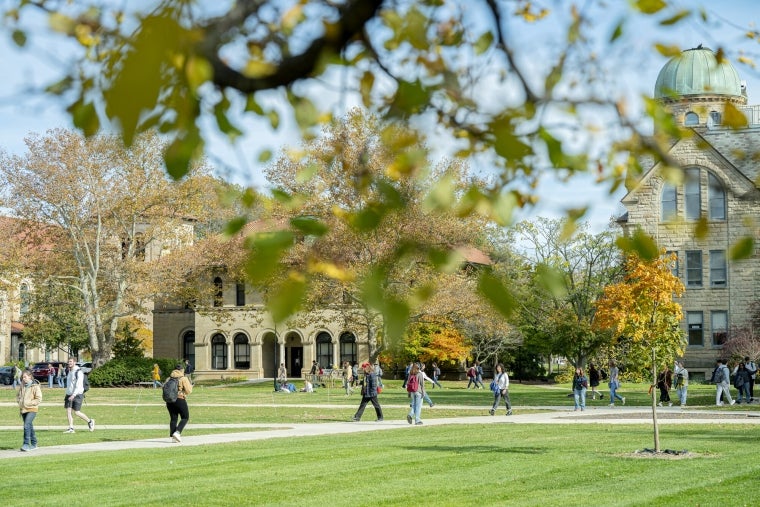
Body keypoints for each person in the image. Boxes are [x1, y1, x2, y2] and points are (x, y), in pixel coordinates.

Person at [63, 357, 94, 433]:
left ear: (75, 362)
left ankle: (90, 421)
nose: (69, 363)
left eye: (70, 361)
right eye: (68, 362)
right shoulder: (69, 371)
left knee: (77, 412)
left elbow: (78, 385)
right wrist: (68, 393)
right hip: (69, 394)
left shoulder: (78, 372)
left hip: (77, 394)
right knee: (68, 411)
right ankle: (71, 428)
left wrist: (73, 395)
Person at [166, 363, 193, 443]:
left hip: (169, 401)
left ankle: (173, 437)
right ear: (182, 370)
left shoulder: (169, 378)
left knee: (173, 418)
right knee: (185, 417)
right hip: (180, 399)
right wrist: (190, 386)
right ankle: (177, 433)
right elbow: (188, 391)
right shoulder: (183, 378)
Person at [17, 369, 42, 452]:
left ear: (30, 377)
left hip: (32, 409)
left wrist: (30, 403)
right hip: (24, 409)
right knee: (29, 426)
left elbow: (39, 399)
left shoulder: (35, 386)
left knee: (26, 425)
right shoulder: (22, 385)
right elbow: (19, 396)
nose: (23, 378)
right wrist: (19, 401)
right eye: (23, 377)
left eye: (25, 377)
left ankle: (26, 444)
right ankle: (34, 443)